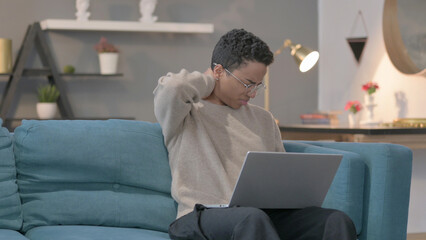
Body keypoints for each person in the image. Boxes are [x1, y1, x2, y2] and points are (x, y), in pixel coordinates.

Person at [153, 28, 357, 240]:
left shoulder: (264, 119)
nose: (252, 93)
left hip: (260, 216)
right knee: (251, 218)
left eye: (258, 85)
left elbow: (280, 177)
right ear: (220, 71)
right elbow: (173, 87)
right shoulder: (186, 112)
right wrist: (210, 80)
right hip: (200, 217)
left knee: (335, 220)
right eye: (247, 84)